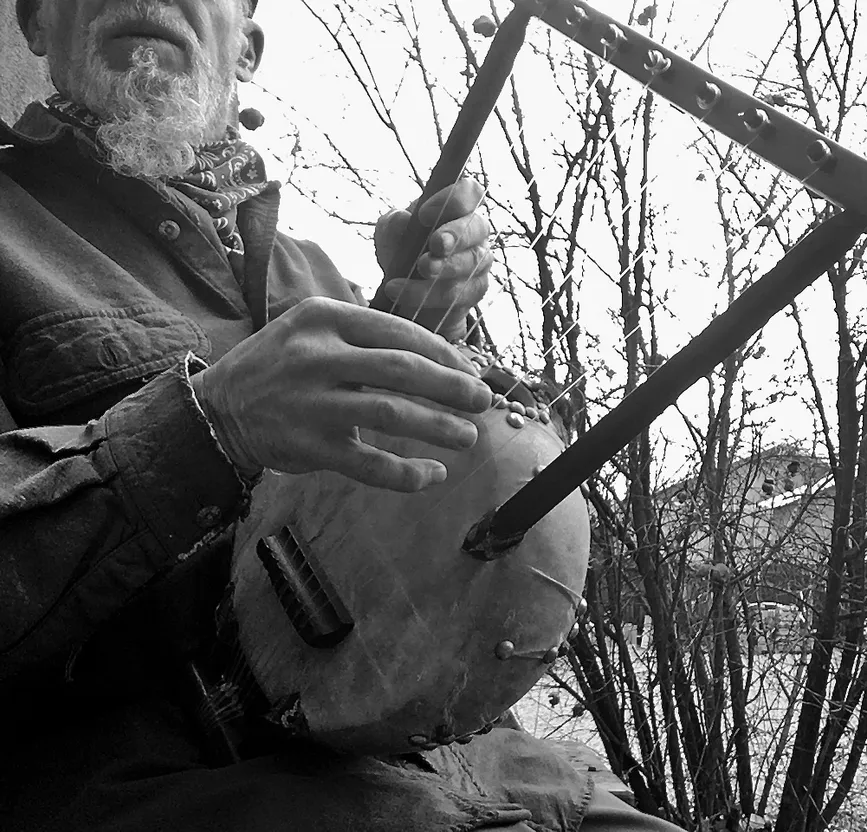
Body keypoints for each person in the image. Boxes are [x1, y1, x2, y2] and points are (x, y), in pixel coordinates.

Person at [0, 1, 684, 830]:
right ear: (37, 28)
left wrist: (426, 334)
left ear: (246, 47)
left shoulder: (312, 270)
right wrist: (209, 425)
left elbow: (383, 541)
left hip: (465, 764)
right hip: (144, 781)